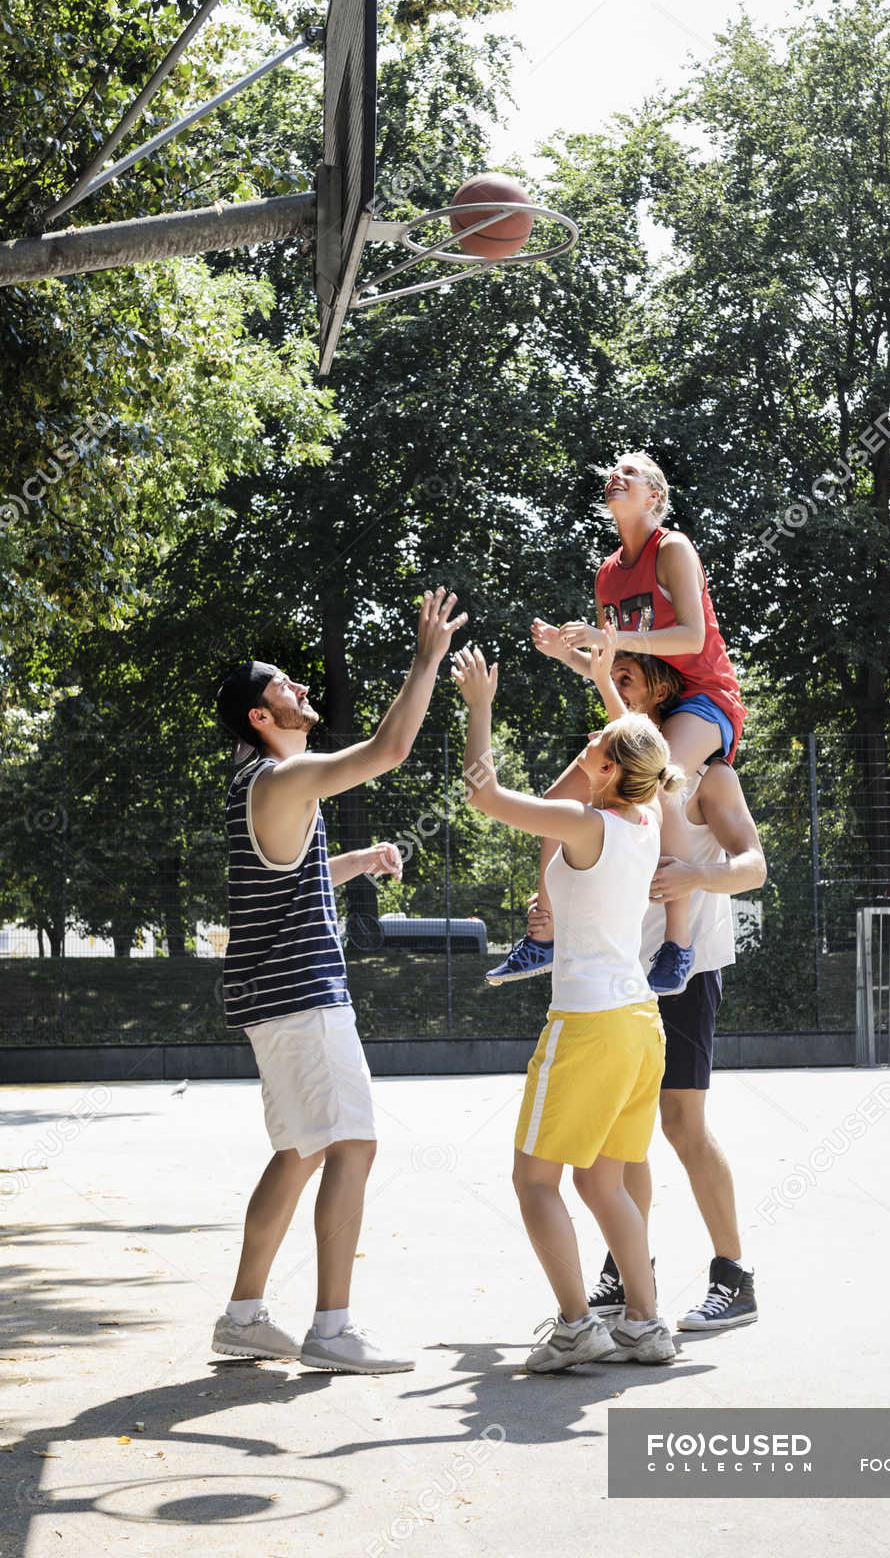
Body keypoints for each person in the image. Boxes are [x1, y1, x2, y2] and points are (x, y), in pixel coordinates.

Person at [210, 587, 466, 1375]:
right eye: (285, 684)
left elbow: (283, 878)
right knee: (352, 1143)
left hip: (270, 998)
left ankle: (243, 1318)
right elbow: (387, 751)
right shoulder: (283, 780)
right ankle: (332, 1330)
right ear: (260, 714)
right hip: (301, 998)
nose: (302, 688)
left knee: (298, 1151)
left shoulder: (258, 787)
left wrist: (355, 862)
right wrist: (426, 660)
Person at [452, 642, 681, 1373]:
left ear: (612, 770)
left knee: (534, 1180)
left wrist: (480, 708)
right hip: (642, 1024)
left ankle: (579, 1325)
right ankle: (646, 1325)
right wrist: (607, 690)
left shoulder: (589, 825)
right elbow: (637, 745)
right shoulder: (644, 821)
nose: (590, 740)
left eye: (598, 744)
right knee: (602, 1181)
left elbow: (484, 796)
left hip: (588, 1026)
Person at [558, 642, 766, 1332]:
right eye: (610, 679)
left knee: (681, 1124)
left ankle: (733, 1277)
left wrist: (698, 878)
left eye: (627, 677)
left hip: (684, 971)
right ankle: (629, 1272)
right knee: (622, 1138)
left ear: (663, 690)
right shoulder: (610, 776)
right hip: (615, 975)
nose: (614, 687)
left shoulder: (709, 777)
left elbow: (753, 866)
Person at [488, 451, 745, 995]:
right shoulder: (608, 574)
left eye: (630, 472)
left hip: (702, 697)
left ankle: (678, 944)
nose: (615, 475)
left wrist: (611, 640)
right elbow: (616, 666)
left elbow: (693, 640)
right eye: (613, 471)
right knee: (559, 801)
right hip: (646, 705)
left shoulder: (672, 548)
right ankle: (545, 933)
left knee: (662, 783)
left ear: (655, 496)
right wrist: (568, 656)